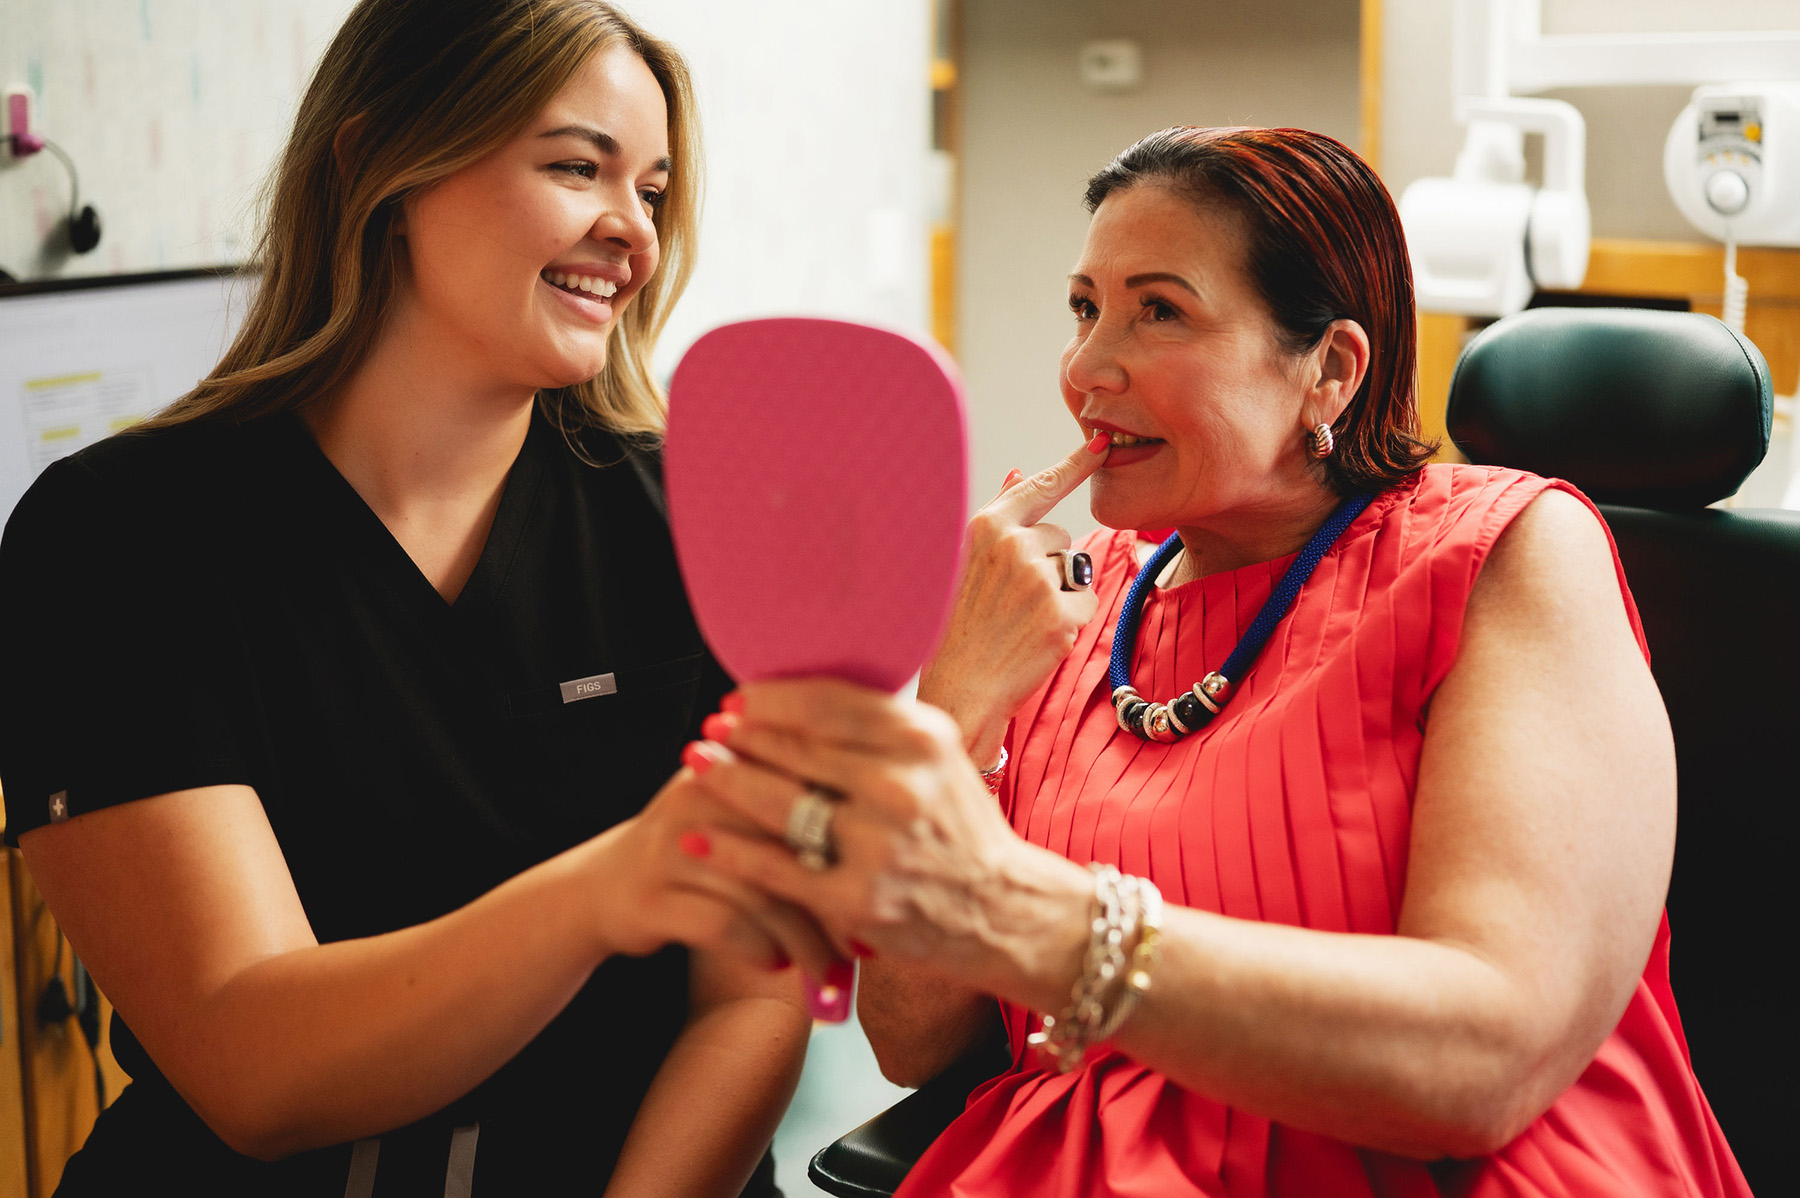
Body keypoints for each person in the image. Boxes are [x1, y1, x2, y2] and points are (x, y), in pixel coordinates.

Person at [676, 127, 1752, 1195]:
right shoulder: (1063, 602)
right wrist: (955, 702)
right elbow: (912, 1041)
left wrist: (1035, 918)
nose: (1085, 368)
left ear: (1328, 369)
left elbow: (1484, 1064)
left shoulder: (1504, 553)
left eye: (1159, 311)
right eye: (1085, 308)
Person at [0, 2, 845, 1194]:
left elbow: (752, 999)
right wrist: (615, 884)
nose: (633, 234)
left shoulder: (703, 518)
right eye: (575, 167)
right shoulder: (121, 540)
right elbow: (256, 1064)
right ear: (374, 164)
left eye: (652, 190)